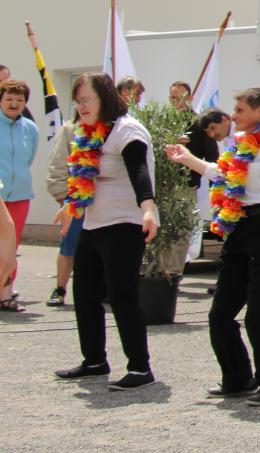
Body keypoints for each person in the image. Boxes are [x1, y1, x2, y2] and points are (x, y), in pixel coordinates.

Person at [165, 87, 260, 407]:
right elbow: (222, 174)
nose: (234, 115)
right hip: (240, 226)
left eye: (240, 109)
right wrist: (187, 159)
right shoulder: (238, 143)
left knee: (259, 315)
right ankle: (238, 379)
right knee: (220, 313)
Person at [52, 72, 160, 390]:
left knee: (122, 296)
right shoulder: (90, 132)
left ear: (106, 98)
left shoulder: (128, 130)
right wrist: (70, 205)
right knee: (84, 294)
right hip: (94, 224)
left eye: (87, 100)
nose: (81, 106)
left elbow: (140, 171)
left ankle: (140, 368)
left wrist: (149, 208)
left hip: (125, 224)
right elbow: (84, 176)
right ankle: (95, 361)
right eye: (78, 101)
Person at [0, 79, 39, 312]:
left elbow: (29, 158)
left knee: (11, 247)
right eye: (9, 99)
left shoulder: (30, 128)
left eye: (19, 100)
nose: (14, 104)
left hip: (21, 194)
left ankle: (5, 293)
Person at [45, 119, 78, 306]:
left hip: (104, 202)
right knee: (68, 247)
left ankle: (102, 289)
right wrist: (61, 194)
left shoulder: (112, 125)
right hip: (76, 197)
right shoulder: (70, 128)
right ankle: (60, 289)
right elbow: (57, 162)